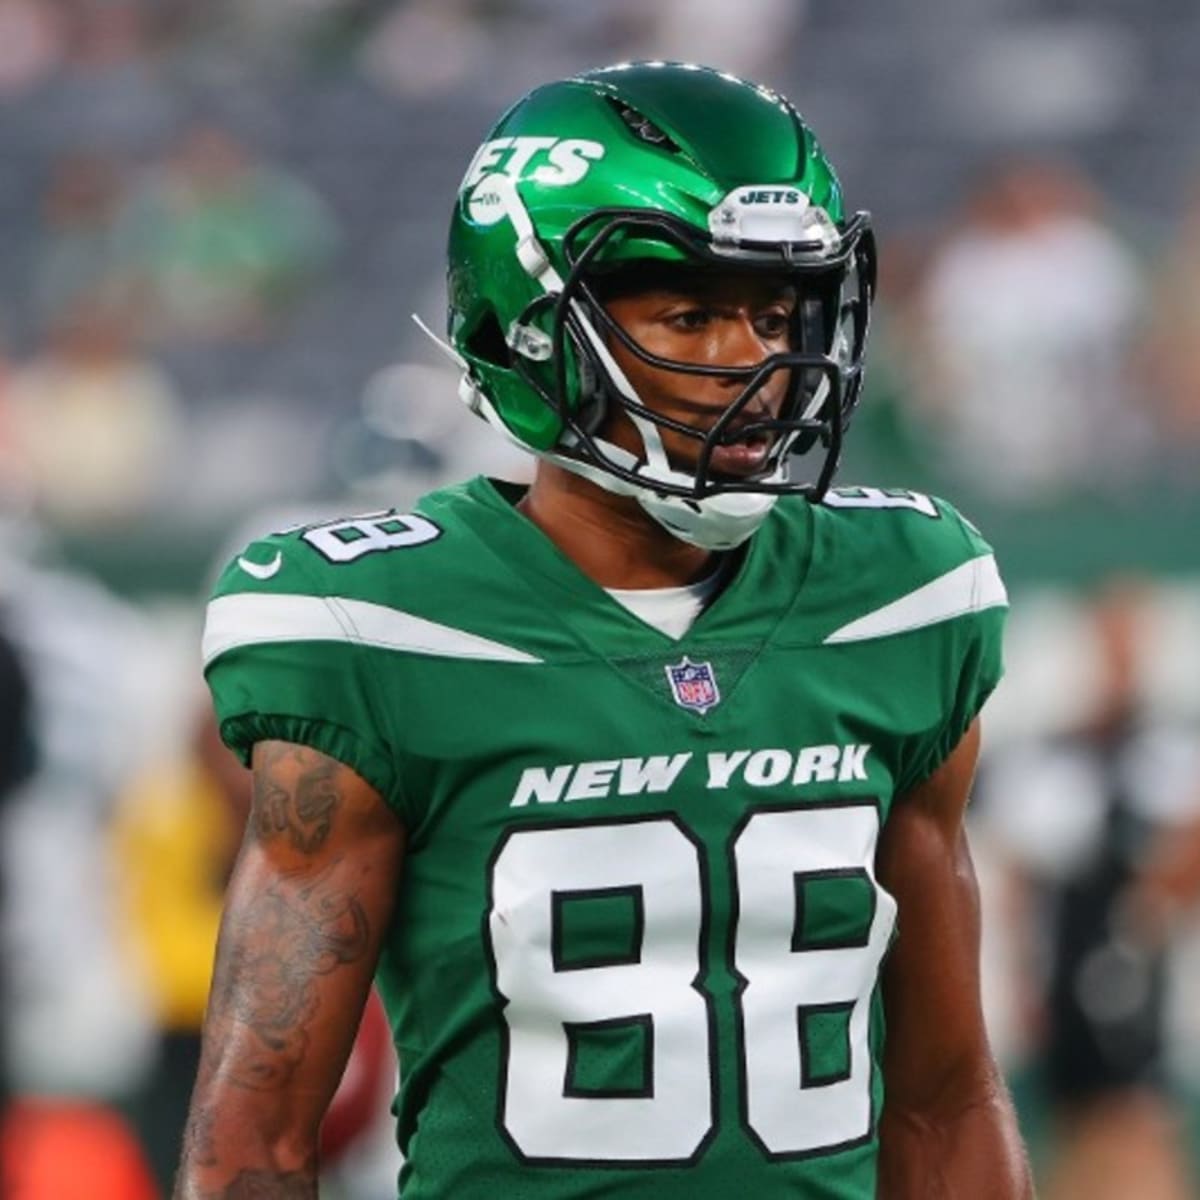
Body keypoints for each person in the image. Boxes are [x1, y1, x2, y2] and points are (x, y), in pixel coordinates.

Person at [176, 62, 1032, 1197]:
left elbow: (947, 1095)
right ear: (533, 329)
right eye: (691, 313)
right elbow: (256, 1141)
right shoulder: (379, 631)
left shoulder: (902, 599)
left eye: (774, 313)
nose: (759, 367)